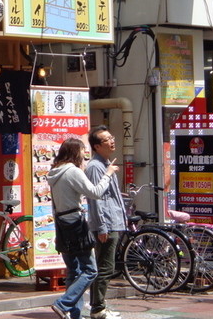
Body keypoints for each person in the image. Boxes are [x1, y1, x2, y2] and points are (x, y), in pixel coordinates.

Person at [46, 138, 119, 319]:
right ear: (74, 152)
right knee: (90, 270)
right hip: (76, 224)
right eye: (82, 151)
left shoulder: (55, 172)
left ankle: (74, 314)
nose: (84, 155)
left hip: (61, 224)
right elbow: (95, 193)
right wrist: (108, 174)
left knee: (74, 271)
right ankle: (63, 304)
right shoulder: (73, 171)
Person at [85, 126, 128, 319]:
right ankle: (98, 309)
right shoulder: (95, 167)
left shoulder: (106, 163)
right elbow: (96, 198)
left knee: (105, 266)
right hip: (106, 223)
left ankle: (99, 306)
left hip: (112, 220)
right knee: (105, 267)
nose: (112, 141)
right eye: (107, 139)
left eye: (112, 137)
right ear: (96, 146)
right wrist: (102, 226)